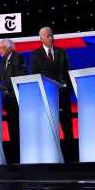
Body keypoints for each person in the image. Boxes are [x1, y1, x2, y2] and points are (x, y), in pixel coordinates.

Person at [31, 27, 74, 161]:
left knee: (67, 127)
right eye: (48, 36)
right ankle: (52, 157)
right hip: (47, 97)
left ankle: (70, 157)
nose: (51, 38)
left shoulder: (61, 52)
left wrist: (69, 90)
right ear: (41, 38)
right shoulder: (35, 55)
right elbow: (34, 76)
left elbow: (67, 72)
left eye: (52, 35)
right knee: (49, 128)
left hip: (62, 95)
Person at [0, 39, 27, 162]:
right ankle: (14, 155)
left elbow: (19, 77)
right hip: (8, 101)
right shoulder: (2, 62)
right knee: (12, 127)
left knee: (18, 127)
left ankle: (21, 155)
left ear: (9, 48)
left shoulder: (18, 58)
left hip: (17, 100)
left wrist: (5, 87)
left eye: (0, 47)